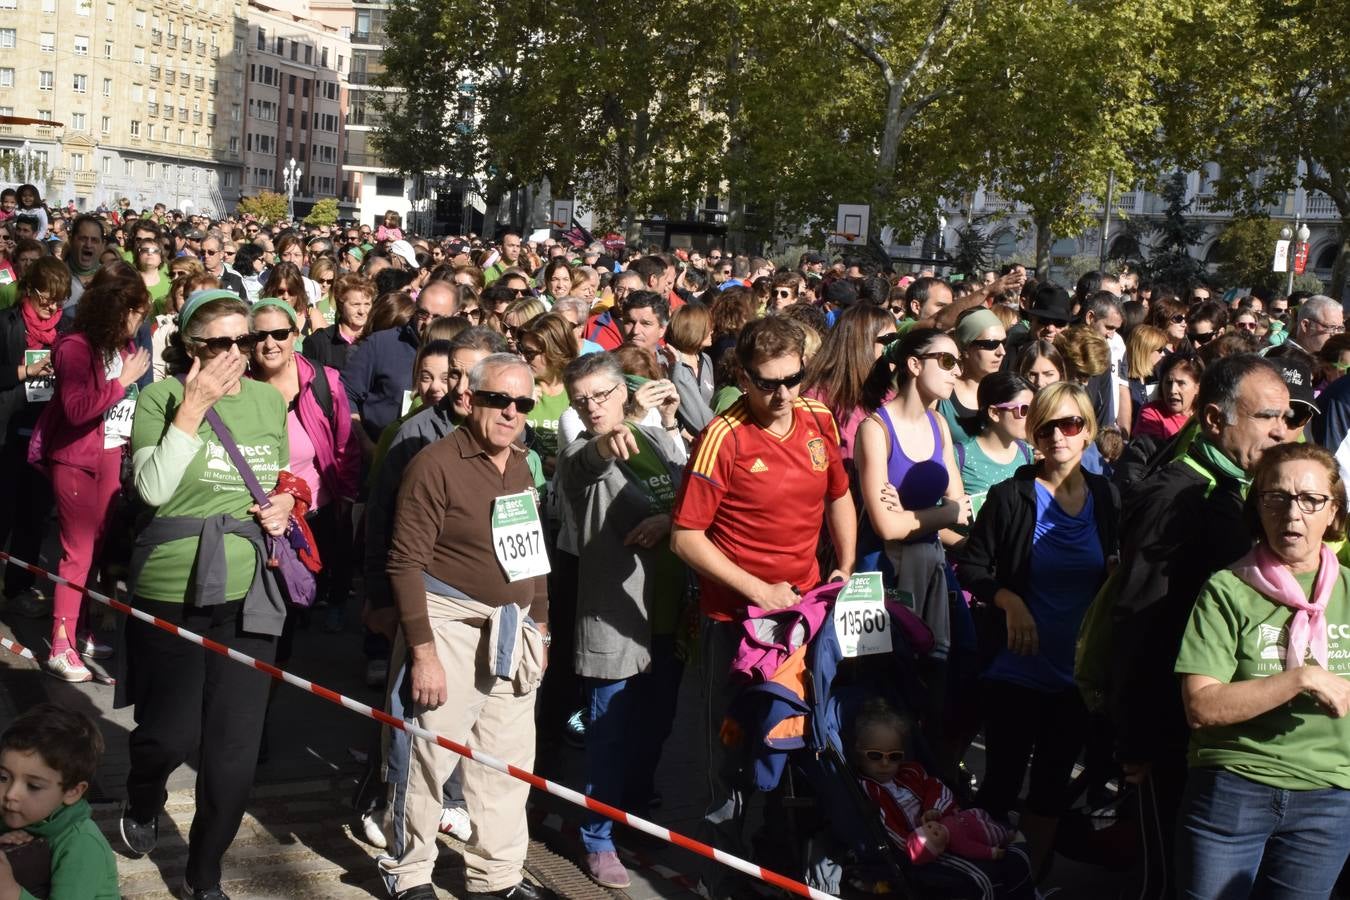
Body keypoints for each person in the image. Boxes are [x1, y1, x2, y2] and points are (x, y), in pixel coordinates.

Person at [118, 290, 295, 900]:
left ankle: (204, 877)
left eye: (243, 342)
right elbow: (153, 490)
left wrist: (287, 501)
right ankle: (144, 794)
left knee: (234, 752)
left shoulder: (272, 399)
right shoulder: (161, 398)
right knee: (168, 734)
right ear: (191, 347)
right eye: (219, 343)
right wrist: (192, 409)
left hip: (252, 591)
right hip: (172, 585)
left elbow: (281, 475)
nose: (234, 355)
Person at [671, 315, 856, 897]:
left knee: (794, 739)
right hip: (737, 621)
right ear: (742, 377)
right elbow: (685, 537)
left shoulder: (818, 418)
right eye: (767, 383)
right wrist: (758, 590)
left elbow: (840, 495)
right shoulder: (721, 437)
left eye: (793, 379)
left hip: (803, 615)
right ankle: (719, 873)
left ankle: (776, 859)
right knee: (729, 753)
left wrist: (845, 565)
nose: (782, 395)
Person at [1110, 354, 1291, 900]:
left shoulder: (1244, 489)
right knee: (1174, 879)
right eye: (1265, 417)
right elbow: (1139, 619)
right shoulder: (1173, 495)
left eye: (1286, 416)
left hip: (1227, 730)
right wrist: (1135, 741)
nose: (1281, 430)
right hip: (1171, 728)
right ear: (1214, 419)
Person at [379, 354, 555, 900]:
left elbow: (532, 556)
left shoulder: (522, 463)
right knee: (428, 753)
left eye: (523, 403)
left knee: (504, 763)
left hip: (513, 628)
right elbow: (404, 562)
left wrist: (542, 627)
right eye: (499, 399)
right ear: (471, 398)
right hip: (449, 624)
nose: (510, 412)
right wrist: (423, 650)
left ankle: (496, 876)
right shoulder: (434, 464)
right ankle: (409, 873)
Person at [1175, 442, 1350, 898]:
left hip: (1330, 799)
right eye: (1277, 498)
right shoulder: (1228, 588)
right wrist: (1302, 677)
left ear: (1333, 513)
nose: (1293, 514)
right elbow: (1202, 706)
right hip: (1233, 788)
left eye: (1311, 500)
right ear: (1259, 508)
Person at [960, 382, 1118, 875]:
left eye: (1070, 425)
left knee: (1050, 790)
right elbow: (972, 566)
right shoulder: (1012, 497)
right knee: (1001, 784)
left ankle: (1027, 881)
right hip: (1016, 667)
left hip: (1076, 673)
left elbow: (1114, 569)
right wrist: (1009, 601)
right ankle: (982, 879)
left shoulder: (1106, 496)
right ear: (1033, 432)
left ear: (1088, 431)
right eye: (1047, 426)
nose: (1058, 436)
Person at [557, 352, 687, 890]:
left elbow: (689, 501)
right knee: (606, 732)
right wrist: (604, 446)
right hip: (612, 615)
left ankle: (633, 812)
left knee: (653, 728)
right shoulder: (579, 453)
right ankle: (598, 837)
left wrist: (668, 518)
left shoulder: (654, 441)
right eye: (580, 399)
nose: (591, 407)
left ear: (623, 393)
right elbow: (585, 467)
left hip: (667, 610)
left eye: (601, 395)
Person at [29, 263, 151, 682]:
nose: (140, 320)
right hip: (75, 459)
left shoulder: (122, 348)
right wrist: (123, 383)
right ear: (117, 307)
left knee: (95, 550)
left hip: (110, 457)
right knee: (76, 552)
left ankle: (79, 628)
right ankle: (60, 646)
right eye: (136, 310)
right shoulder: (73, 347)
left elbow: (124, 407)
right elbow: (77, 409)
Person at [247, 298, 360, 634]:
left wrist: (347, 497)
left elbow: (345, 446)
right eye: (260, 335)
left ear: (295, 335)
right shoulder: (238, 385)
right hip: (260, 512)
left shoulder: (323, 382)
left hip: (314, 511)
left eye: (279, 334)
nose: (270, 343)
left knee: (301, 597)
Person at [857, 328, 971, 658]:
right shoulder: (875, 429)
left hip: (931, 564)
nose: (957, 372)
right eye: (948, 361)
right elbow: (886, 527)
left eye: (958, 363)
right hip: (881, 571)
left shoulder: (939, 424)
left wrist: (907, 515)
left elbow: (962, 508)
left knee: (949, 661)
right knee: (885, 677)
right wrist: (944, 514)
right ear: (915, 365)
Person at [850, 700, 1033, 899]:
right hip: (925, 849)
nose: (885, 763)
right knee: (982, 878)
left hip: (949, 826)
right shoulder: (868, 790)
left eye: (894, 756)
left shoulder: (911, 772)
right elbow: (888, 829)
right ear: (859, 756)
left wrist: (933, 809)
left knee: (1017, 848)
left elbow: (936, 787)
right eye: (875, 756)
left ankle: (1023, 890)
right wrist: (922, 842)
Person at [0, 260, 66, 620]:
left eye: (58, 300)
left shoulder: (66, 330)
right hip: (5, 431)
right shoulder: (6, 322)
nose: (52, 307)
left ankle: (18, 587)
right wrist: (25, 371)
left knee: (32, 518)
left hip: (44, 434)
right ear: (29, 291)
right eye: (45, 298)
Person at [0, 703, 119, 899]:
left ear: (72, 792)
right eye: (3, 777)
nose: (11, 794)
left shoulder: (81, 844)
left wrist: (11, 893)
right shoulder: (12, 813)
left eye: (34, 786)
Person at [343, 281, 458, 451]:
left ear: (455, 316)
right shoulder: (380, 344)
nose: (427, 322)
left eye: (438, 318)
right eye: (422, 314)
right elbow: (345, 394)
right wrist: (366, 445)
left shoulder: (462, 354)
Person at [804, 304, 897, 467]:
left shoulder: (889, 393)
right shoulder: (816, 400)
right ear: (860, 342)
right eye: (889, 340)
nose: (894, 348)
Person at [956, 373, 1035, 519]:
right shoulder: (959, 456)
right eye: (1024, 410)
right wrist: (963, 542)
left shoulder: (1027, 453)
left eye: (1034, 409)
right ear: (994, 413)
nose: (1031, 417)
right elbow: (937, 521)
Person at [518, 313, 576, 479]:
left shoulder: (577, 391)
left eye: (529, 353)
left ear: (555, 351)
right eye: (521, 349)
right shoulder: (517, 389)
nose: (521, 358)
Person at [940, 309, 1007, 443]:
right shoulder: (941, 393)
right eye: (991, 344)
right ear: (965, 349)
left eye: (1003, 342)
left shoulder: (1009, 391)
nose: (1002, 352)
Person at [303, 273, 375, 374]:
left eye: (367, 304)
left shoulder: (377, 341)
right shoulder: (319, 341)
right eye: (356, 304)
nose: (362, 311)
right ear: (341, 305)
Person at [1134, 353, 1203, 441]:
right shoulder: (1150, 414)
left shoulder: (1205, 417)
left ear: (1197, 388)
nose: (1172, 390)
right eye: (1168, 382)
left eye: (1181, 383)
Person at [133, 238, 171, 314]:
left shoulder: (170, 282)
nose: (150, 253)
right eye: (145, 250)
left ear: (161, 258)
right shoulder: (130, 281)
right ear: (138, 256)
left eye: (155, 251)